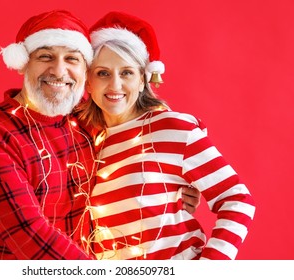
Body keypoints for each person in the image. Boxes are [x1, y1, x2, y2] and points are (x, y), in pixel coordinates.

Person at [0, 9, 201, 260]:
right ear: (24, 63)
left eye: (72, 59)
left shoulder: (87, 121)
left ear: (85, 71)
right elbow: (30, 235)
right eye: (45, 56)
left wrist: (181, 179)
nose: (58, 70)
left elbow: (150, 128)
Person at [76, 11, 256, 260]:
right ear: (88, 82)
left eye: (126, 72)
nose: (115, 85)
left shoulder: (173, 128)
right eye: (103, 73)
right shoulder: (83, 139)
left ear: (143, 80)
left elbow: (237, 199)